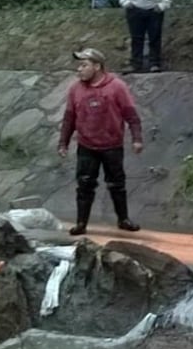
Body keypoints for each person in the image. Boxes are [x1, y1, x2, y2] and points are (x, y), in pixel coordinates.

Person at [58, 48, 143, 236]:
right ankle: (81, 223)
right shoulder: (75, 89)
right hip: (87, 145)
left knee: (116, 184)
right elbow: (69, 118)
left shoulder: (117, 87)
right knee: (85, 184)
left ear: (97, 66)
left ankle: (123, 219)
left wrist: (137, 139)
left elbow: (131, 115)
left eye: (84, 65)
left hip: (112, 145)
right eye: (78, 66)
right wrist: (63, 143)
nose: (79, 70)